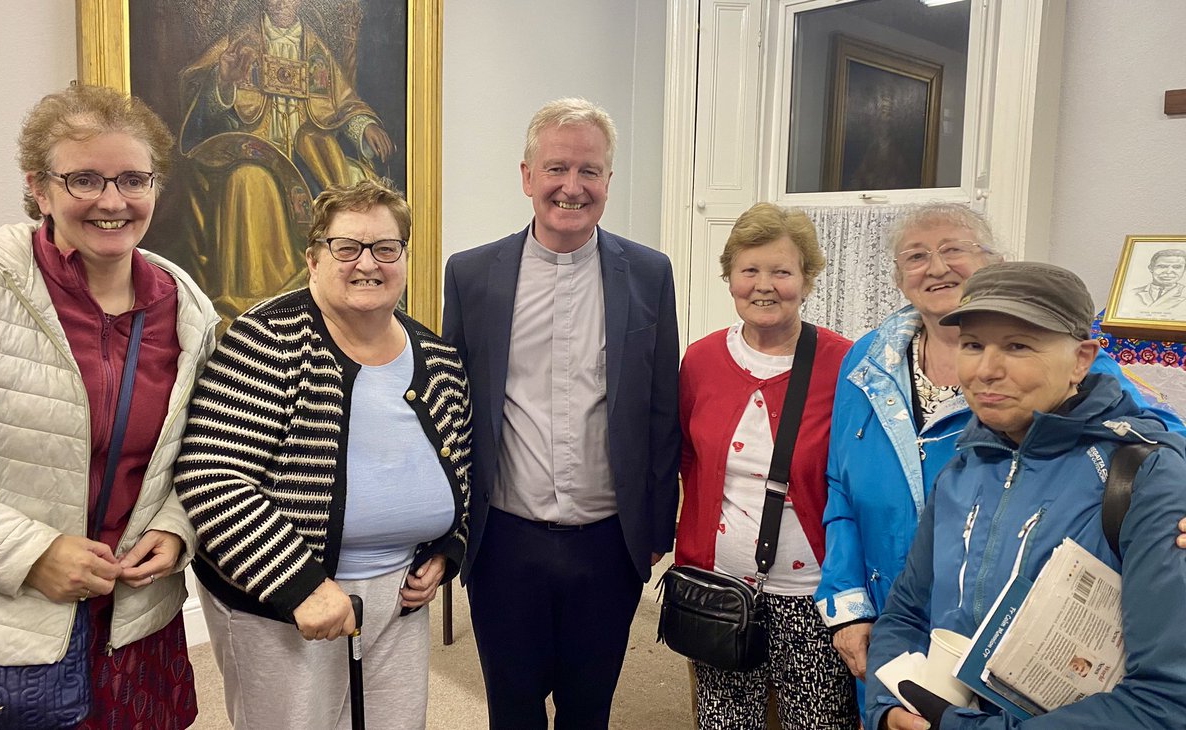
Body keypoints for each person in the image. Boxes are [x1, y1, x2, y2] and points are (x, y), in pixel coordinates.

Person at [815, 203, 1186, 691]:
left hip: (1026, 644)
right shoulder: (865, 359)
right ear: (898, 277)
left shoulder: (1065, 365)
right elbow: (840, 480)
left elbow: (1151, 434)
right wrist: (849, 602)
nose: (937, 266)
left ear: (993, 261)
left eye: (954, 249)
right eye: (917, 255)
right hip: (898, 615)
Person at [173, 177, 470, 729]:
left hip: (400, 599)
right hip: (285, 602)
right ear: (313, 259)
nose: (368, 263)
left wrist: (447, 547)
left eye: (386, 248)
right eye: (346, 247)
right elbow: (213, 477)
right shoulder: (265, 342)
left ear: (404, 257)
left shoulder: (437, 357)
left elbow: (461, 469)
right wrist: (302, 586)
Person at [442, 97, 680, 729]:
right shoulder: (471, 275)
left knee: (588, 709)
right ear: (526, 176)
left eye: (589, 171)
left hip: (608, 542)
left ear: (607, 181)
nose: (571, 187)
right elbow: (455, 409)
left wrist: (657, 530)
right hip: (504, 540)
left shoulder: (650, 274)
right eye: (555, 169)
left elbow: (661, 409)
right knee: (512, 710)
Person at [0, 85, 218, 728]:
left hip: (137, 622)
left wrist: (177, 529)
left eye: (132, 179)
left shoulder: (189, 309)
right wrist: (30, 553)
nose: (112, 202)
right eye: (84, 179)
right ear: (39, 186)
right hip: (11, 622)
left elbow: (207, 451)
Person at [675, 203, 859, 729]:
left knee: (818, 721)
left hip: (815, 592)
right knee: (725, 720)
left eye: (781, 271)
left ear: (806, 278)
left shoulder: (845, 363)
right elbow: (688, 458)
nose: (764, 285)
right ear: (729, 275)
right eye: (749, 270)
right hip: (721, 586)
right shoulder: (702, 360)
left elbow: (855, 478)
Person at [178, 0, 395, 320]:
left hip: (311, 158)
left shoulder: (314, 48)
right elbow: (199, 107)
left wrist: (364, 126)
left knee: (352, 186)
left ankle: (332, 302)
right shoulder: (240, 42)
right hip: (255, 154)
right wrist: (224, 83)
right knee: (247, 183)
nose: (281, 1)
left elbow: (343, 102)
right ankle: (252, 306)